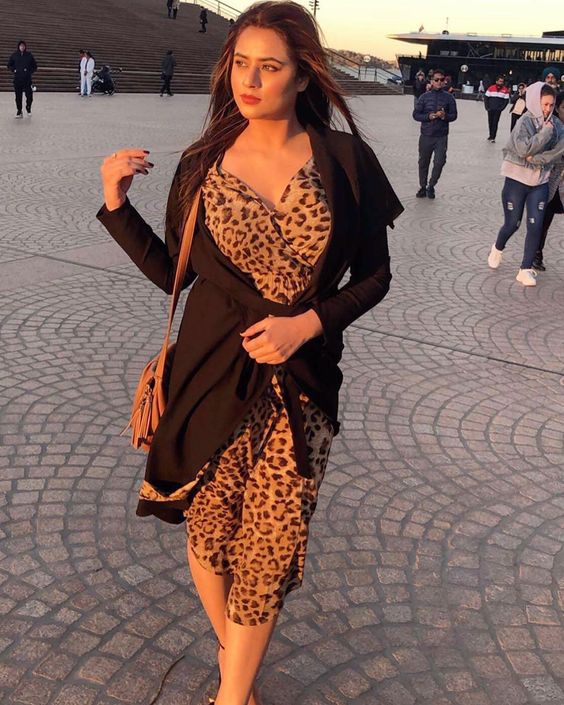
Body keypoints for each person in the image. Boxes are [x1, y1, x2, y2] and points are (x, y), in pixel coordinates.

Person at [96, 3, 403, 704]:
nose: (250, 80)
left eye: (270, 67)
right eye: (241, 63)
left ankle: (232, 694)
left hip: (301, 388)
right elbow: (175, 273)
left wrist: (310, 323)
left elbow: (377, 277)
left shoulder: (346, 161)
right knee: (208, 538)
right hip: (210, 374)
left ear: (304, 76)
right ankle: (236, 657)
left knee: (267, 551)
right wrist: (116, 206)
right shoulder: (203, 163)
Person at [487, 82, 561, 286]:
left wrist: (536, 159)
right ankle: (497, 248)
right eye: (544, 104)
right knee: (513, 223)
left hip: (540, 182)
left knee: (536, 225)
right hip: (516, 180)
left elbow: (558, 151)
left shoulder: (557, 125)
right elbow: (522, 149)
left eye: (551, 105)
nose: (547, 109)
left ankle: (525, 269)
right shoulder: (525, 121)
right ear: (536, 101)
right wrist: (544, 135)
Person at [526, 91, 564, 271]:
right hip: (550, 181)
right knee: (544, 220)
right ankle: (536, 254)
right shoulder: (551, 127)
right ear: (557, 108)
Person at [413, 67, 458, 199]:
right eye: (436, 80)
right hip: (426, 135)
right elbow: (415, 114)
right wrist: (428, 117)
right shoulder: (424, 97)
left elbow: (454, 115)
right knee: (423, 162)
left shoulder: (449, 98)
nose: (439, 82)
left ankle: (431, 185)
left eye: (441, 80)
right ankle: (423, 186)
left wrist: (444, 116)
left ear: (444, 81)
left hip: (441, 136)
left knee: (439, 162)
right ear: (431, 81)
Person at [7, 40, 37, 118]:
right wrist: (14, 70)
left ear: (25, 47)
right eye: (21, 46)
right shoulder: (14, 55)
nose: (22, 47)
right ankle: (19, 111)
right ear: (19, 47)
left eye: (23, 46)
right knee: (18, 97)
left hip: (27, 79)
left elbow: (35, 66)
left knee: (29, 96)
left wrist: (29, 72)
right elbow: (9, 65)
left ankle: (28, 108)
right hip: (17, 79)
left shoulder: (29, 55)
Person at [484, 75, 510, 142]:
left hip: (498, 110)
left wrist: (501, 108)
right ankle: (490, 135)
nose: (501, 83)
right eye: (500, 81)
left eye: (502, 81)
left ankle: (493, 137)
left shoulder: (505, 90)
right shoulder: (491, 88)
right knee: (490, 122)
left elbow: (506, 100)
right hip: (490, 109)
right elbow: (486, 98)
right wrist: (487, 107)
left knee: (495, 123)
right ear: (496, 81)